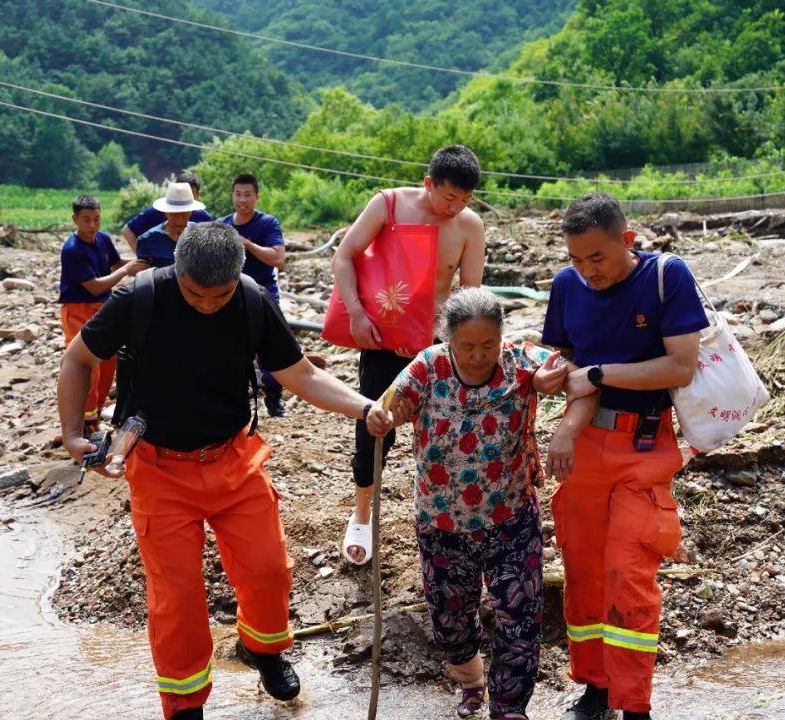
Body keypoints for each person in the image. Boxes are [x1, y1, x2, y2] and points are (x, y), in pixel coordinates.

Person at [57, 222, 392, 720]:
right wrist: (72, 434)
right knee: (177, 596)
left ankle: (262, 649)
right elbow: (78, 358)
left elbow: (300, 373)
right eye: (197, 294)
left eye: (221, 294)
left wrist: (365, 408)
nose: (210, 303)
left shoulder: (252, 299)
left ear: (238, 277)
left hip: (235, 459)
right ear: (178, 272)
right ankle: (185, 702)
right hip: (158, 469)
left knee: (268, 569)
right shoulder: (140, 297)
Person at [532, 193, 707, 720]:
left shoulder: (666, 276)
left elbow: (680, 366)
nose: (587, 271)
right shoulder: (567, 287)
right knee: (583, 571)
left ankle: (635, 707)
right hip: (584, 450)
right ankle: (595, 690)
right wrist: (550, 384)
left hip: (644, 448)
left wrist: (601, 374)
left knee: (627, 575)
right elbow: (566, 364)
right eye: (576, 260)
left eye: (597, 259)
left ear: (626, 242)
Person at [377, 288, 555, 720]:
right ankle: (472, 680)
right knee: (450, 624)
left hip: (509, 516)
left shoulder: (520, 361)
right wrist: (384, 416)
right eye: (467, 346)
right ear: (448, 341)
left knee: (520, 617)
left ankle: (509, 708)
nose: (478, 356)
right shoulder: (428, 366)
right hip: (442, 523)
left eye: (487, 345)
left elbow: (563, 370)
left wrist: (553, 381)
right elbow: (388, 406)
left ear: (501, 338)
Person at [334, 144, 487, 565]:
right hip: (383, 339)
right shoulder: (388, 205)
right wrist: (356, 314)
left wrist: (438, 337)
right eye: (449, 197)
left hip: (437, 347)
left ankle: (453, 514)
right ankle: (362, 514)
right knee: (374, 426)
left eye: (465, 199)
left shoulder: (470, 227)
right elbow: (344, 256)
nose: (456, 207)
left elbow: (470, 297)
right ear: (428, 184)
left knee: (449, 432)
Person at [58, 194, 147, 433]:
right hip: (79, 309)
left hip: (102, 308)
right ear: (75, 219)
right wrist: (128, 270)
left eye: (96, 219)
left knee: (109, 362)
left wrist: (145, 264)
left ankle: (93, 415)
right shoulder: (72, 250)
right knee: (87, 366)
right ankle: (84, 426)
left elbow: (118, 264)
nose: (92, 225)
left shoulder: (103, 239)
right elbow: (96, 285)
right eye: (86, 220)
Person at [217, 172, 288, 417]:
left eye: (247, 195)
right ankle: (233, 399)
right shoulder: (221, 224)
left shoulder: (268, 223)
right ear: (232, 196)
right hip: (228, 294)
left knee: (272, 346)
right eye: (238, 194)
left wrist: (247, 244)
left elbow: (279, 259)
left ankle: (274, 398)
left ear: (257, 197)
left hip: (263, 293)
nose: (242, 200)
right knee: (228, 347)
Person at [122, 170, 214, 254]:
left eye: (188, 195)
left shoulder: (204, 218)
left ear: (198, 195)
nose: (180, 219)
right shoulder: (155, 214)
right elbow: (128, 230)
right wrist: (140, 253)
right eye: (174, 214)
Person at [136, 182, 204, 267]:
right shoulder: (148, 240)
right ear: (166, 212)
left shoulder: (200, 235)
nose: (179, 219)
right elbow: (142, 276)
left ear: (191, 212)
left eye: (184, 213)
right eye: (175, 214)